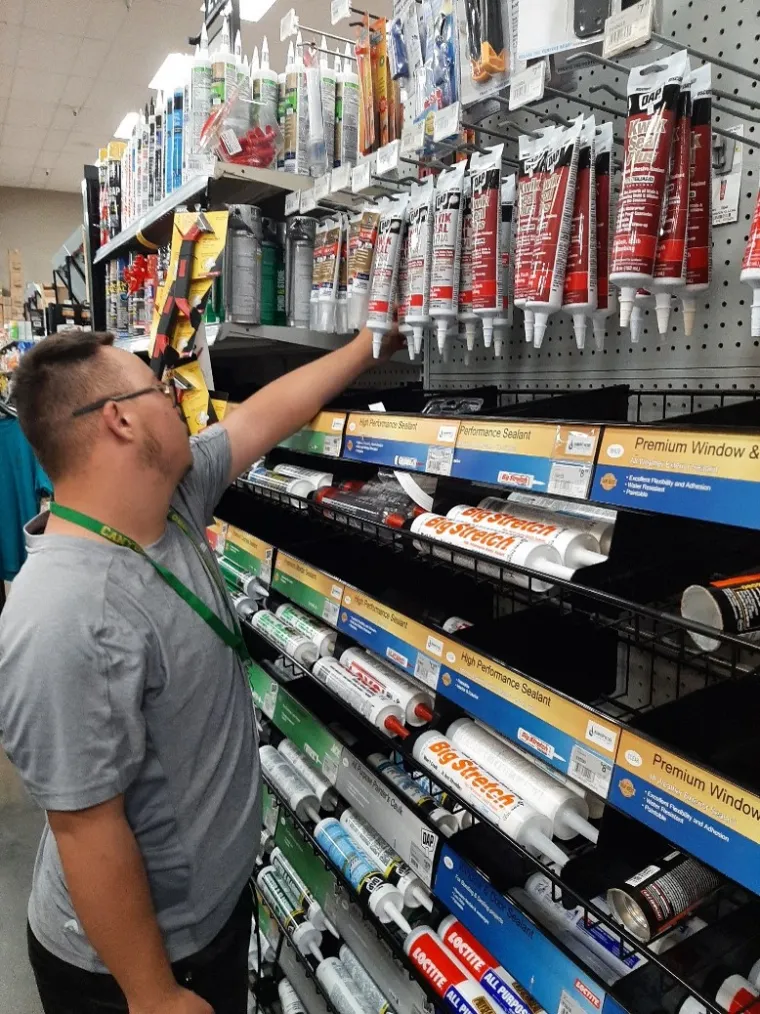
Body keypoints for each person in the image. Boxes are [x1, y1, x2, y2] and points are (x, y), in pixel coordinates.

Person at [0, 327, 398, 1014]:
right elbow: (84, 829)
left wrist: (372, 343)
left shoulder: (167, 505)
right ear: (120, 420)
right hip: (128, 967)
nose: (179, 399)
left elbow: (258, 418)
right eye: (160, 390)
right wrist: (153, 995)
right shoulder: (67, 615)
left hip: (206, 916)